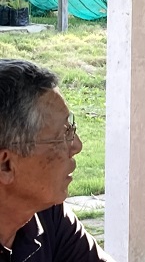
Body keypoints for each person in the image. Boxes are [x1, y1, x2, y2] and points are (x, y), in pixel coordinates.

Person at [0, 58, 113, 262]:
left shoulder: (45, 213)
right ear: (5, 165)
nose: (77, 146)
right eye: (63, 134)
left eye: (71, 128)